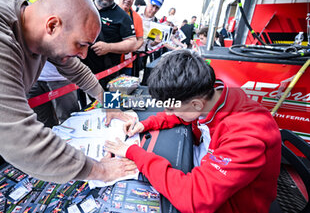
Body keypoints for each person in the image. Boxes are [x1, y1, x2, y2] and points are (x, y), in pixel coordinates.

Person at [0, 0, 136, 196]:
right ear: (52, 25)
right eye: (81, 44)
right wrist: (100, 170)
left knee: (0, 170)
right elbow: (20, 140)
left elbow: (80, 71)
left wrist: (110, 104)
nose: (83, 54)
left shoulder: (34, 24)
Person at [105, 50, 281, 212]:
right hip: (208, 174)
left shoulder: (245, 134)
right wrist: (148, 123)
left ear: (196, 104)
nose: (167, 112)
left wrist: (134, 153)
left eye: (172, 108)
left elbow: (195, 199)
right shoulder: (212, 96)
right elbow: (187, 115)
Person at [81, 0, 137, 89]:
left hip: (107, 76)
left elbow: (132, 43)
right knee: (82, 106)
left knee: (106, 105)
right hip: (81, 73)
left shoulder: (122, 16)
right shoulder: (84, 8)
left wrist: (108, 47)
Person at [117, 0, 144, 76]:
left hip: (127, 64)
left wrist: (134, 47)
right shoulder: (109, 12)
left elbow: (140, 39)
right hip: (108, 62)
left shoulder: (137, 18)